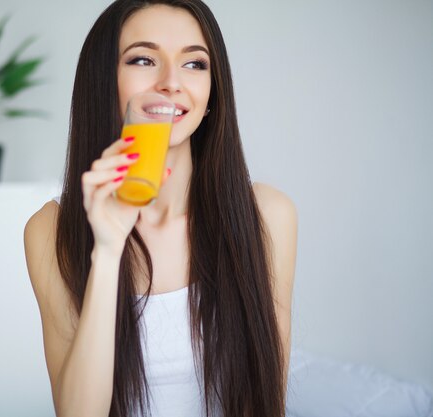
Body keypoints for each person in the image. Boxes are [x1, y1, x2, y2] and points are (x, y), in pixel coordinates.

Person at [24, 1, 298, 416]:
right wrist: (108, 248)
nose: (172, 82)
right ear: (104, 82)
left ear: (211, 96)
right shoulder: (51, 228)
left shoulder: (268, 215)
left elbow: (265, 401)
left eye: (195, 64)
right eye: (144, 59)